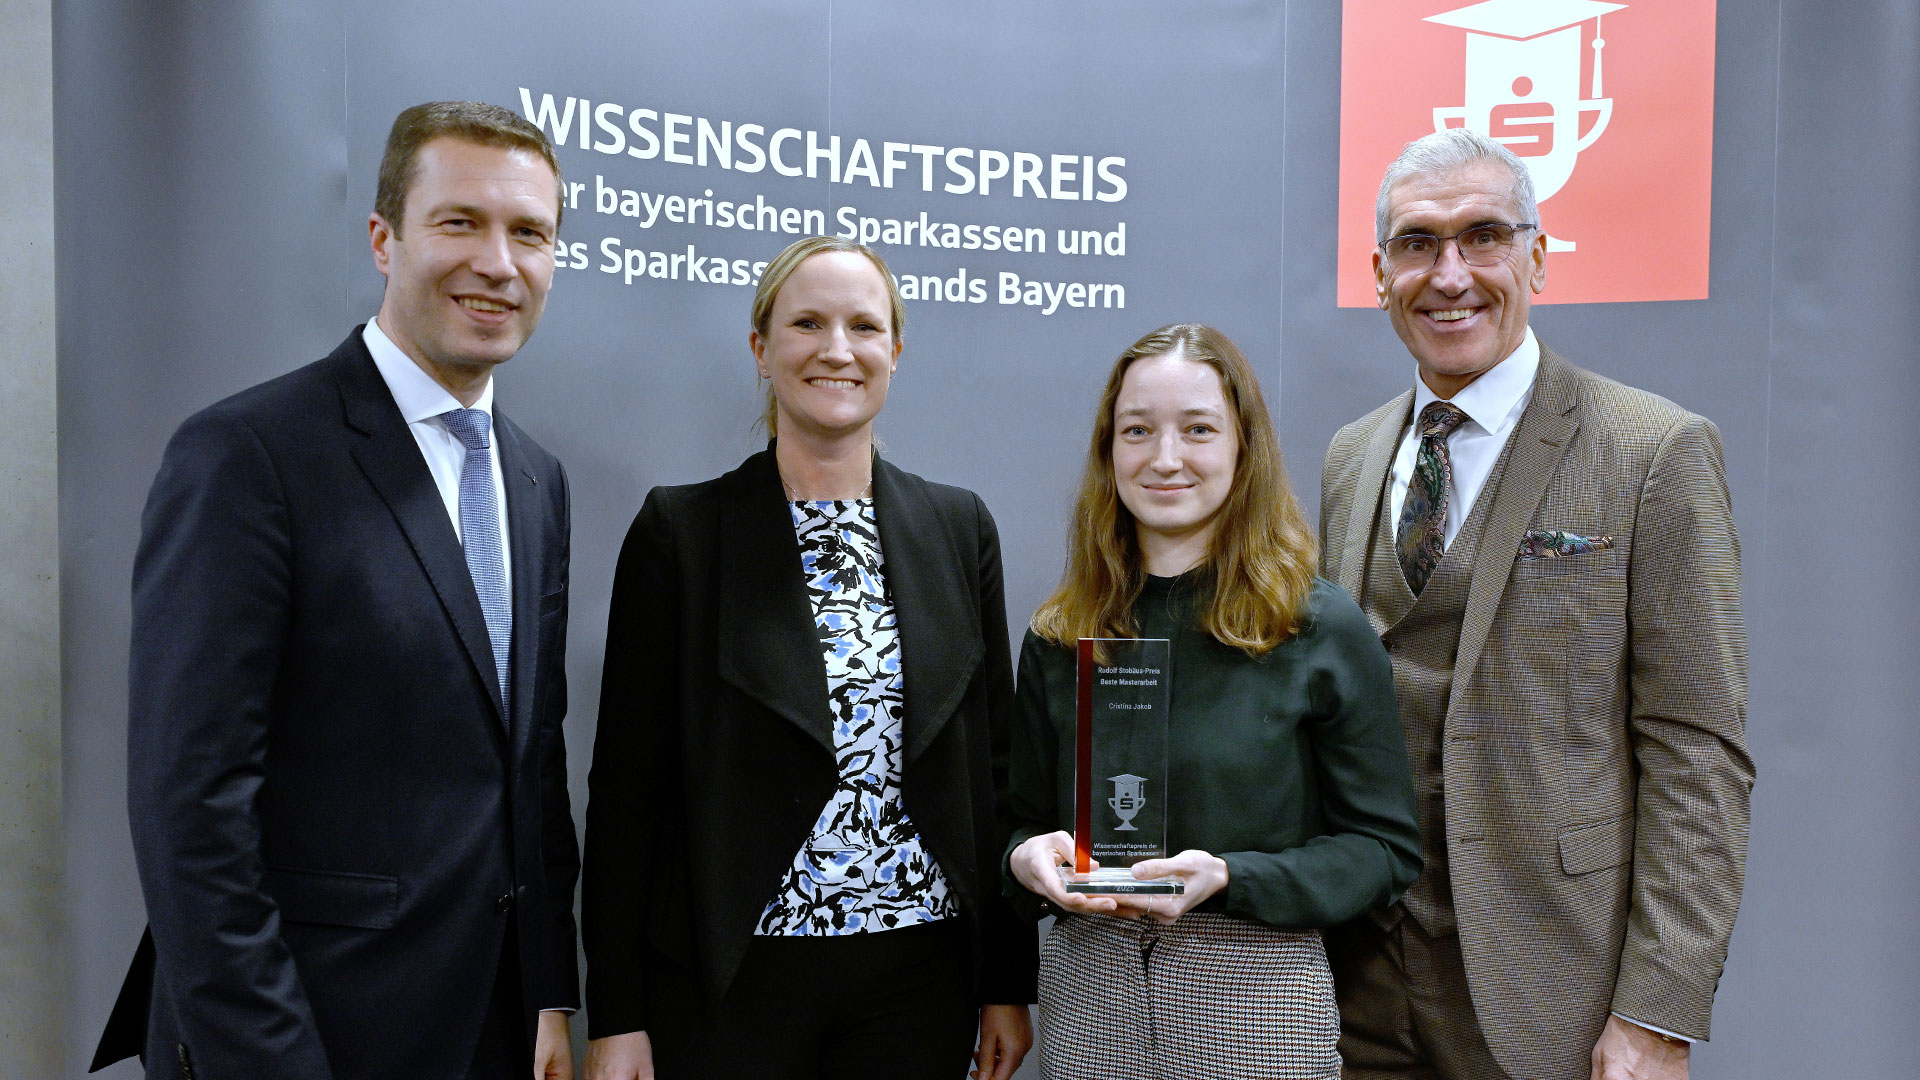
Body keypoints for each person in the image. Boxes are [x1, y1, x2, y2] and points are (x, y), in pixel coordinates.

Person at [91, 101, 580, 1080]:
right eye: (460, 222)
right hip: (305, 1032)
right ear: (383, 238)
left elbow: (527, 770)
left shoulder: (534, 478)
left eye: (529, 232)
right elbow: (192, 808)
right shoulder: (249, 455)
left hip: (491, 1033)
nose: (499, 262)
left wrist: (548, 993)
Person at [1318, 128, 1755, 1080]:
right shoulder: (1351, 458)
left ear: (1538, 258)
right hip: (1351, 987)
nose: (1450, 273)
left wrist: (1657, 1010)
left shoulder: (1654, 452)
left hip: (1548, 990)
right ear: (1379, 271)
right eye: (1417, 243)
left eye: (1484, 236)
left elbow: (1699, 749)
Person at [580, 236, 1036, 1080]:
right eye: (808, 323)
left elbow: (993, 770)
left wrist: (1006, 981)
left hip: (919, 977)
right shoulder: (680, 533)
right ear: (761, 350)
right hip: (732, 982)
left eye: (865, 326)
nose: (837, 349)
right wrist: (618, 1013)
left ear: (895, 352)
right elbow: (626, 796)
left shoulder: (958, 528)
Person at [1005, 323, 1422, 1080]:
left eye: (1198, 430)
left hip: (1254, 1000)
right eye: (1138, 431)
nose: (1165, 458)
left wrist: (1232, 877)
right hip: (1087, 1006)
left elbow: (1384, 853)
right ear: (1109, 452)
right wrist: (1026, 857)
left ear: (1243, 448)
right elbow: (1019, 819)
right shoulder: (1060, 635)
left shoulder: (1320, 628)